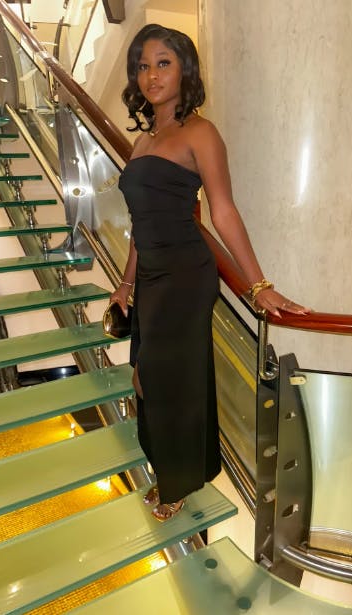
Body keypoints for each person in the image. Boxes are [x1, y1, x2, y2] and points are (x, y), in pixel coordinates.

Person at [111, 23, 308, 521]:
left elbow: (223, 211)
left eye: (163, 63)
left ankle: (175, 484)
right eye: (143, 66)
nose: (152, 75)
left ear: (185, 70)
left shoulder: (201, 133)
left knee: (165, 381)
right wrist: (126, 283)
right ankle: (177, 468)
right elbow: (139, 224)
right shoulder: (142, 142)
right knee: (146, 378)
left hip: (185, 275)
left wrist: (258, 285)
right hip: (151, 278)